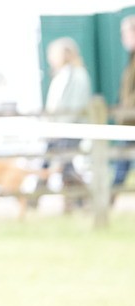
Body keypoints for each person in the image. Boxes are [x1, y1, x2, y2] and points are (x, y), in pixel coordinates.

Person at [39, 37, 92, 198]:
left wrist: (60, 127)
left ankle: (84, 197)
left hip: (69, 129)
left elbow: (75, 107)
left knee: (65, 166)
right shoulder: (60, 76)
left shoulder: (78, 75)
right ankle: (37, 197)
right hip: (58, 130)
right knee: (53, 164)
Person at [111, 16, 135, 189]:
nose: (123, 38)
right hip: (128, 121)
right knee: (121, 163)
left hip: (131, 119)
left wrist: (125, 110)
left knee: (121, 164)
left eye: (125, 33)